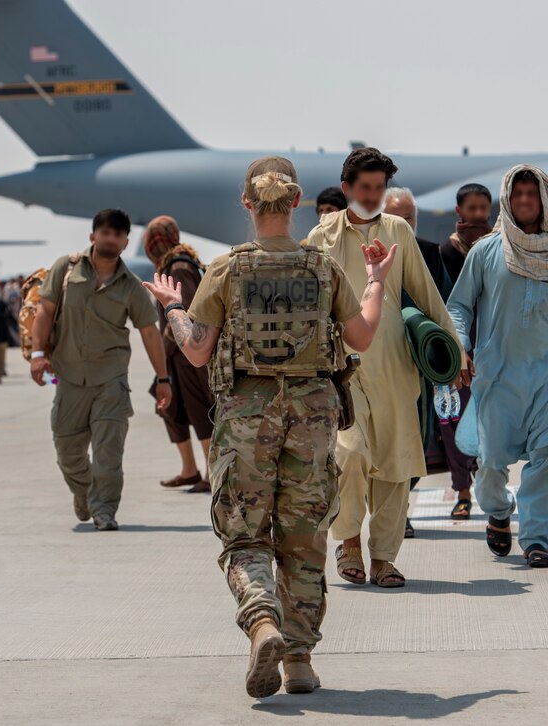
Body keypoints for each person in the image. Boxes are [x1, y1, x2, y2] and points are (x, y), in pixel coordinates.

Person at [143, 156, 397, 698]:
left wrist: (172, 307)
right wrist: (375, 282)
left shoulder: (228, 269)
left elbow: (195, 351)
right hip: (313, 416)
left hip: (246, 417)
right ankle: (299, 662)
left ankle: (262, 621)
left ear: (248, 205)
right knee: (304, 536)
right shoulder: (322, 267)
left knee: (244, 533)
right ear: (298, 202)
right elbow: (362, 337)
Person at [306, 148, 461, 588]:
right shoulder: (322, 237)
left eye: (380, 188)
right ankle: (349, 540)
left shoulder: (397, 232)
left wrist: (456, 354)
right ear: (347, 188)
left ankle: (385, 560)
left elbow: (427, 295)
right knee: (348, 453)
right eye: (365, 188)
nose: (373, 196)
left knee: (394, 467)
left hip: (395, 367)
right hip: (341, 369)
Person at [447, 165, 548, 568]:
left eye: (531, 194)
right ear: (507, 198)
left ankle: (536, 538)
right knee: (490, 465)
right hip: (498, 377)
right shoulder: (487, 251)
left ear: (545, 199)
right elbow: (460, 305)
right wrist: (460, 345)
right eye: (517, 193)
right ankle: (499, 511)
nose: (523, 200)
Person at [29, 209, 171, 532]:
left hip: (111, 379)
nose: (110, 238)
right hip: (69, 378)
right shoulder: (66, 269)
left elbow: (150, 332)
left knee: (109, 452)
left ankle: (104, 510)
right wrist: (38, 354)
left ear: (125, 243)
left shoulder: (132, 287)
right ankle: (84, 491)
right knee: (67, 451)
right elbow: (45, 310)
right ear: (93, 237)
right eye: (104, 232)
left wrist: (163, 379)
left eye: (117, 234)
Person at [382, 186, 450, 538]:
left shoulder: (428, 252)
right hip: (381, 361)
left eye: (410, 218)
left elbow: (444, 303)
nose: (404, 224)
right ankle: (391, 512)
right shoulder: (372, 252)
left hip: (419, 363)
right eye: (397, 217)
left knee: (418, 439)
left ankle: (400, 507)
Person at [432, 183, 494, 519]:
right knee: (452, 420)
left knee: (491, 420)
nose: (478, 215)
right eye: (472, 209)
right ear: (459, 211)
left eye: (484, 208)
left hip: (491, 345)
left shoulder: (499, 248)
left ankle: (492, 486)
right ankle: (463, 490)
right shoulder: (445, 252)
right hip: (454, 347)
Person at [142, 215, 216, 493]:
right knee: (170, 409)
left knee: (199, 409)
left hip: (187, 354)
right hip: (176, 355)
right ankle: (189, 469)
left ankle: (210, 473)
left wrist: (167, 346)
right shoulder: (176, 264)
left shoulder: (179, 266)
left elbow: (187, 311)